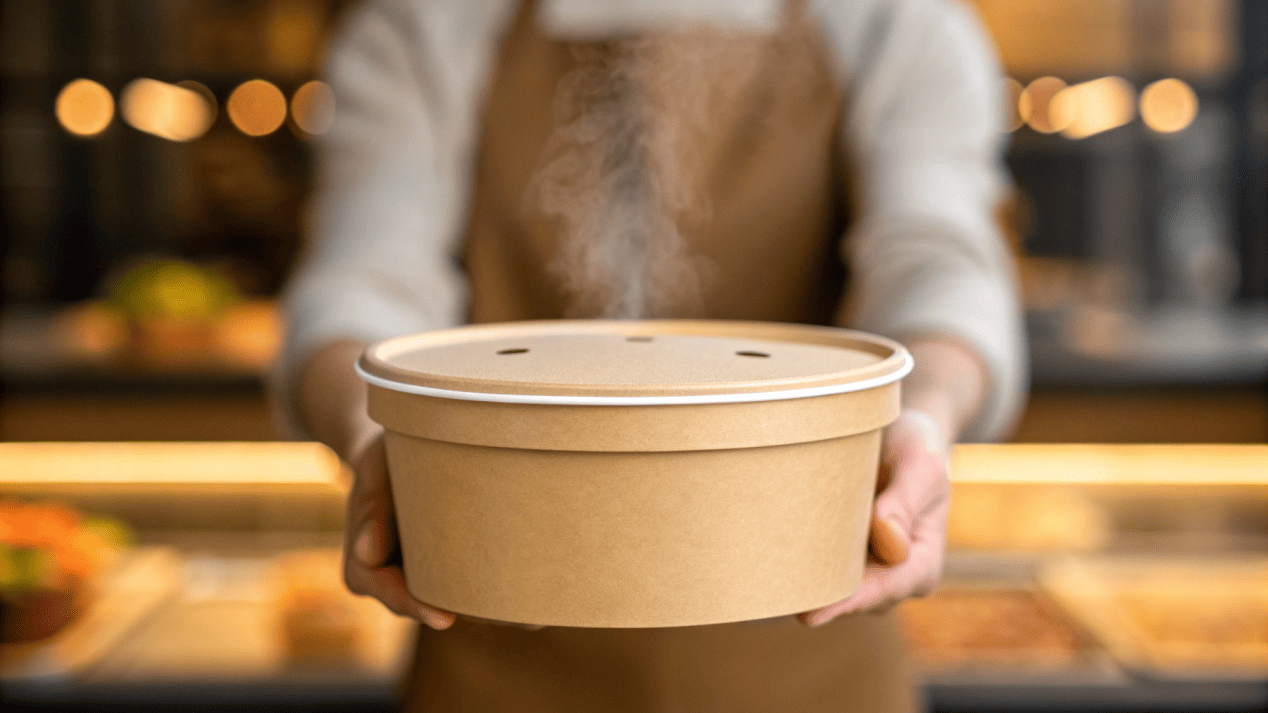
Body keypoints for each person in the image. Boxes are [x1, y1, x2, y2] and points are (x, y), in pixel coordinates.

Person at [276, 0, 1027, 710]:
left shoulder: (890, 22)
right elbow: (364, 285)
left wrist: (922, 420)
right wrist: (375, 438)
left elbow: (938, 264)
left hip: (813, 663)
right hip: (494, 663)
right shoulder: (427, 24)